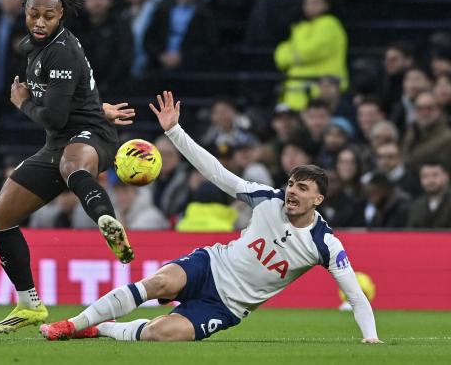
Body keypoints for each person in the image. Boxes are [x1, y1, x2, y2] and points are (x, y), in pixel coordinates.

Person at [40, 91, 381, 344]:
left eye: (302, 188)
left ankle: (100, 328)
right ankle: (72, 323)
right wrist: (174, 131)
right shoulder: (266, 200)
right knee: (159, 283)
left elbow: (355, 295)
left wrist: (371, 338)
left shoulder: (325, 244)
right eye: (291, 183)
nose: (292, 191)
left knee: (162, 334)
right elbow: (216, 172)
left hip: (227, 307)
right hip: (211, 265)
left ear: (318, 199)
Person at [0, 0, 139, 335]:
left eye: (48, 17)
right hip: (58, 141)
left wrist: (22, 101)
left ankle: (107, 222)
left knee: (73, 163)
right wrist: (96, 103)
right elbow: (69, 96)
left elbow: (53, 115)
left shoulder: (62, 52)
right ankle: (29, 304)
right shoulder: (32, 45)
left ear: (61, 18)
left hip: (92, 136)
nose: (39, 22)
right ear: (25, 13)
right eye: (34, 14)